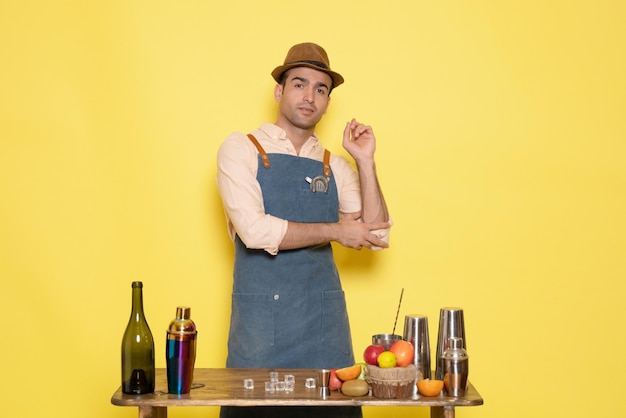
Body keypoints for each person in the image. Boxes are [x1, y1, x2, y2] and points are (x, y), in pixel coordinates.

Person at [216, 42, 391, 418]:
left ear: (328, 102)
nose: (309, 96)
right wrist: (337, 231)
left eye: (321, 89)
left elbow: (377, 235)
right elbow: (255, 231)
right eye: (299, 84)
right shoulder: (241, 148)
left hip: (325, 333)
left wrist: (365, 161)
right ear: (279, 91)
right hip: (261, 333)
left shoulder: (336, 167)